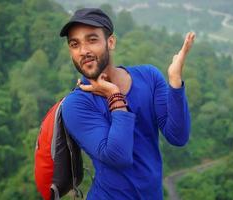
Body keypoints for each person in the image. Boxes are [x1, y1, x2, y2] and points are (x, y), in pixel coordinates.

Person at [60, 8, 194, 200]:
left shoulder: (148, 76)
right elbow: (118, 157)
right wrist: (114, 94)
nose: (84, 51)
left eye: (92, 40)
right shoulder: (76, 104)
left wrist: (175, 80)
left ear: (111, 42)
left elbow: (177, 136)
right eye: (75, 44)